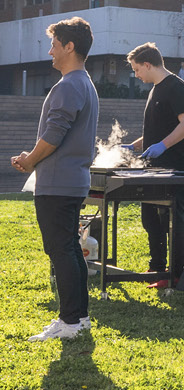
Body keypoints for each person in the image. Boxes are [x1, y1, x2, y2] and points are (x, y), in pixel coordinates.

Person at [15, 17, 98, 341]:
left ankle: (70, 322)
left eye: (53, 44)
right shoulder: (82, 82)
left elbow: (53, 135)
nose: (49, 51)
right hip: (69, 181)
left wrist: (28, 160)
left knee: (61, 251)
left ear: (69, 46)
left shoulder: (69, 85)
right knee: (70, 250)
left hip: (58, 184)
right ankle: (79, 318)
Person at [127, 42, 184, 289]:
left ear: (147, 64)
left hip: (174, 168)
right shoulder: (154, 89)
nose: (136, 75)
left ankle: (175, 275)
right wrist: (135, 145)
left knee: (172, 221)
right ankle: (157, 268)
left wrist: (163, 146)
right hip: (152, 167)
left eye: (137, 70)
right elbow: (158, 130)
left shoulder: (176, 87)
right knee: (150, 219)